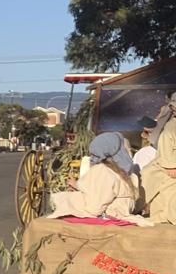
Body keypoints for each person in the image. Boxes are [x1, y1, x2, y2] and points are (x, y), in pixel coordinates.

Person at [48, 132, 145, 224]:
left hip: (110, 214)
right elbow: (105, 192)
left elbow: (95, 206)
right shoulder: (121, 171)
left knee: (65, 199)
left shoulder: (103, 170)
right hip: (121, 210)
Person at [141, 91, 176, 224]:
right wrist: (171, 165)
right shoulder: (171, 128)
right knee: (166, 202)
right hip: (167, 172)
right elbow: (169, 164)